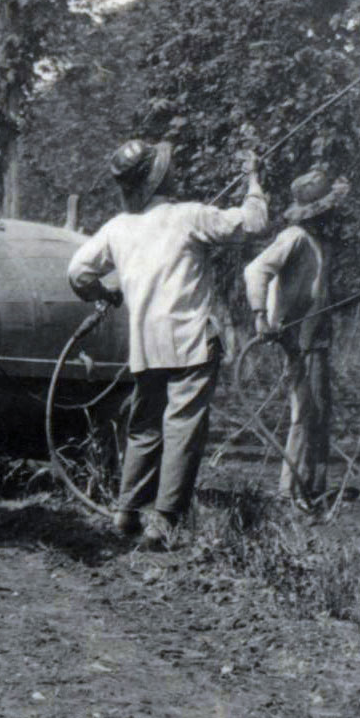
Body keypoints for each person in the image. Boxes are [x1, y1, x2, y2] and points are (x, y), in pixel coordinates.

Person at [67, 139, 269, 547]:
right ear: (160, 176)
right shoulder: (190, 216)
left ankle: (126, 513)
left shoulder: (118, 228)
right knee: (182, 430)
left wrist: (104, 295)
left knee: (144, 429)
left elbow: (77, 273)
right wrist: (252, 179)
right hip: (192, 341)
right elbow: (253, 223)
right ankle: (164, 521)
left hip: (145, 346)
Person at [244, 167, 349, 507]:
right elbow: (256, 269)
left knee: (318, 411)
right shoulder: (295, 237)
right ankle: (290, 490)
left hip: (315, 337)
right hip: (298, 337)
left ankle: (311, 485)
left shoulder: (317, 243)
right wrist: (262, 316)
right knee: (304, 412)